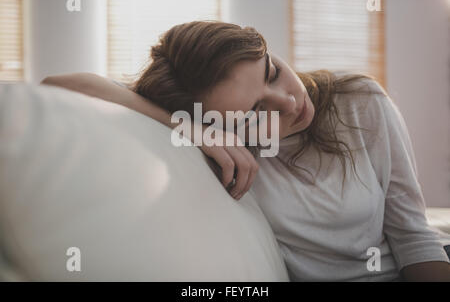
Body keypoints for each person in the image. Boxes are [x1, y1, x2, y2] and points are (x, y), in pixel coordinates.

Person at [41, 21, 450, 281]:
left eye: (272, 72)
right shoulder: (225, 151)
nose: (289, 101)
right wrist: (188, 127)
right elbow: (62, 84)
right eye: (255, 111)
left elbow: (412, 233)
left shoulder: (358, 99)